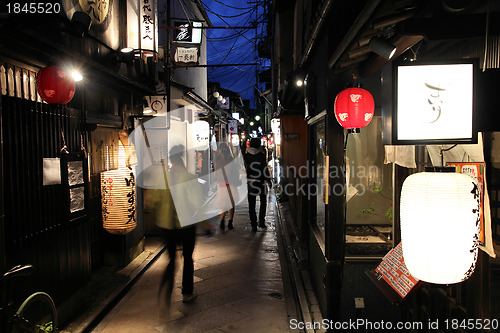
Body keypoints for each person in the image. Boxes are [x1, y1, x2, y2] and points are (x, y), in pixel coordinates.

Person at [151, 145, 201, 314]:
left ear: (171, 159)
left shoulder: (162, 178)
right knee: (188, 258)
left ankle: (165, 292)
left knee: (172, 259)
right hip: (186, 225)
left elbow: (153, 201)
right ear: (182, 158)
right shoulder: (189, 178)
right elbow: (196, 203)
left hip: (167, 225)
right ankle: (187, 293)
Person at [244, 137, 271, 232]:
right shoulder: (261, 155)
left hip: (251, 181)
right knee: (263, 201)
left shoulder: (246, 155)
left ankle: (253, 224)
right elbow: (265, 168)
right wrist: (268, 180)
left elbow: (244, 167)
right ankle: (261, 221)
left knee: (252, 203)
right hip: (261, 181)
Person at [215, 142, 237, 230]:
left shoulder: (218, 162)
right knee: (231, 204)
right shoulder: (231, 160)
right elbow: (235, 172)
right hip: (230, 184)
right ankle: (230, 222)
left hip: (221, 185)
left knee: (223, 204)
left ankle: (222, 219)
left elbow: (216, 175)